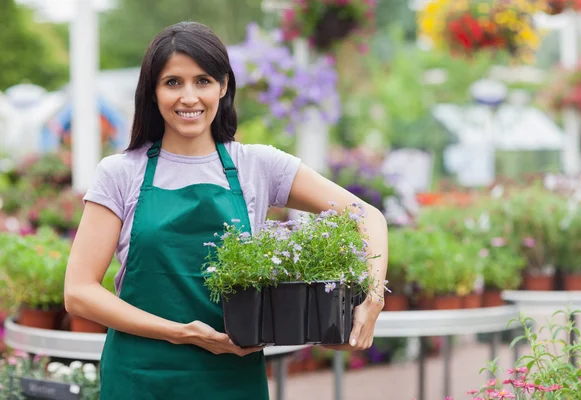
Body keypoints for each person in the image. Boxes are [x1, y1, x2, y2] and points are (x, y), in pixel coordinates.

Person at [64, 21, 388, 399]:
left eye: (202, 81)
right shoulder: (121, 172)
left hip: (232, 379)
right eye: (173, 82)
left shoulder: (257, 166)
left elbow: (367, 216)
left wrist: (372, 298)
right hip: (141, 377)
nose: (189, 97)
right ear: (152, 92)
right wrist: (183, 332)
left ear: (223, 86)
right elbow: (79, 292)